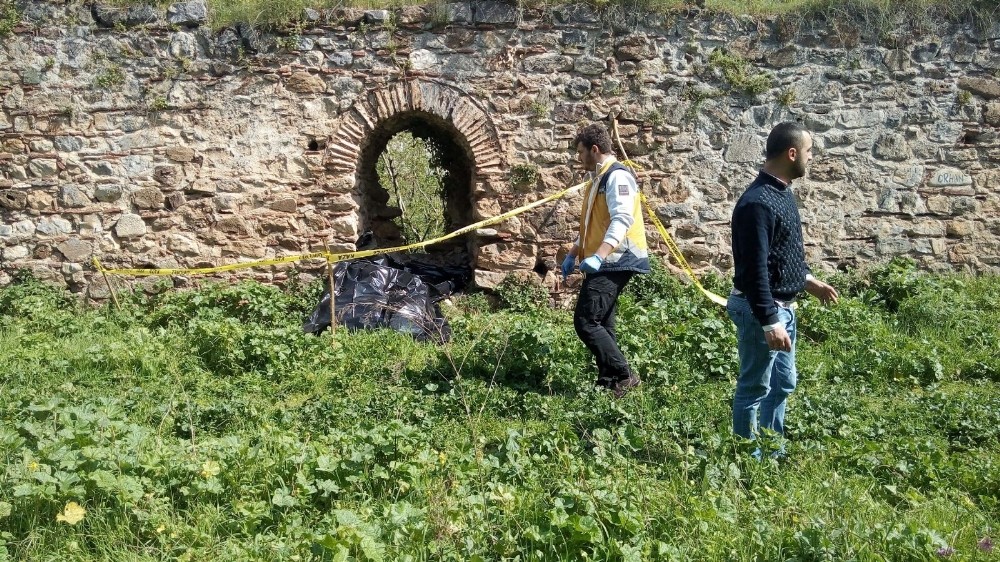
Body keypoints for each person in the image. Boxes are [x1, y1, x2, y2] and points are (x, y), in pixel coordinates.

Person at [727, 122, 839, 455]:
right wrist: (769, 321)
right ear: (792, 153)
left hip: (782, 308)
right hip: (760, 308)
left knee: (783, 383)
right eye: (808, 151)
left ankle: (772, 452)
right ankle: (748, 459)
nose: (811, 158)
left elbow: (779, 254)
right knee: (755, 387)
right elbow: (753, 271)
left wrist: (808, 282)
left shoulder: (781, 193)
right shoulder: (758, 203)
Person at [561, 124, 650, 398]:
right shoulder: (597, 179)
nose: (578, 158)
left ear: (594, 150)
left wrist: (599, 256)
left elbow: (623, 219)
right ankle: (609, 381)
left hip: (617, 257)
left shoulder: (617, 177)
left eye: (580, 152)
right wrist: (574, 252)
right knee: (603, 323)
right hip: (606, 257)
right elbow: (591, 224)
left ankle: (624, 375)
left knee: (586, 321)